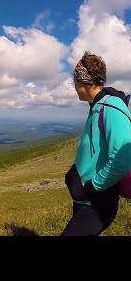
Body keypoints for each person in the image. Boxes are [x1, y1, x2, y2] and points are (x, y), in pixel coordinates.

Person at [61, 51, 131, 236]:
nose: (74, 87)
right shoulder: (96, 107)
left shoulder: (112, 108)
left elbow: (122, 160)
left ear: (84, 82)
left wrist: (92, 186)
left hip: (97, 204)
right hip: (87, 201)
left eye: (75, 82)